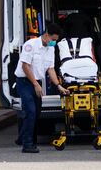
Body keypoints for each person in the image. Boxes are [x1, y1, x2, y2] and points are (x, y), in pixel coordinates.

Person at [14, 22, 69, 153]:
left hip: (36, 82)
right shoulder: (30, 45)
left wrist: (58, 86)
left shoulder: (51, 48)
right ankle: (27, 145)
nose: (54, 43)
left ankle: (22, 137)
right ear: (46, 35)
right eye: (53, 40)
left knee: (36, 112)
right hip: (25, 82)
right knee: (31, 111)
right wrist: (35, 84)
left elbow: (50, 69)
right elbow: (25, 66)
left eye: (56, 40)